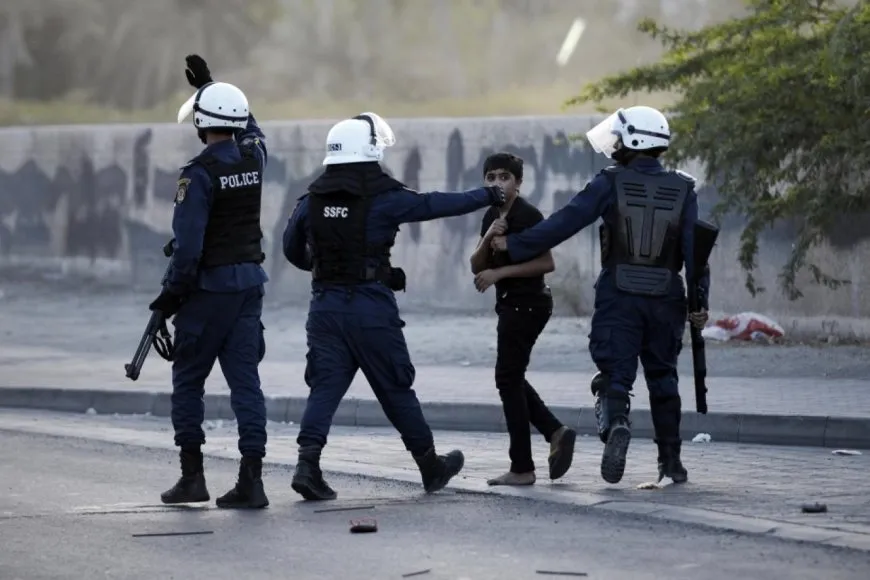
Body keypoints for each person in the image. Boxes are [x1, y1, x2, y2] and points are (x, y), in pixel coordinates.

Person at [282, 112, 507, 501]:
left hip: (325, 308)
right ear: (369, 151)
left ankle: (307, 465)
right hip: (370, 310)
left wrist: (327, 268)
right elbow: (436, 204)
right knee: (396, 388)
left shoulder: (310, 201)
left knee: (324, 388)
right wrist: (488, 195)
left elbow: (291, 249)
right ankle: (430, 466)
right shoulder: (385, 197)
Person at [491, 106, 710, 485]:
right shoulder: (684, 187)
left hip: (620, 295)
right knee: (664, 377)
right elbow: (696, 253)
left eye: (620, 137)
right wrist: (699, 303)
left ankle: (617, 424)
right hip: (666, 296)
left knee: (614, 376)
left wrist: (515, 244)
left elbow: (565, 222)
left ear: (634, 140)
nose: (615, 143)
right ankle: (671, 462)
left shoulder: (610, 181)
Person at [150, 54, 270, 509]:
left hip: (207, 294)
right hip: (249, 287)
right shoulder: (254, 157)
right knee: (246, 384)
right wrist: (211, 86)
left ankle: (192, 478)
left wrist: (169, 298)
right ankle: (252, 481)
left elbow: (188, 251)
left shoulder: (197, 175)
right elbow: (251, 125)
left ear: (201, 124)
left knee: (188, 381)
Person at [468, 152, 577, 486]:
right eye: (491, 177)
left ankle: (522, 467)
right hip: (511, 305)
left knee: (507, 379)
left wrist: (500, 273)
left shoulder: (528, 215)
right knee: (510, 377)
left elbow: (546, 263)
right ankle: (554, 431)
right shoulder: (491, 215)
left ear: (518, 183)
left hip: (529, 305)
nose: (497, 183)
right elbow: (476, 265)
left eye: (504, 177)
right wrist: (489, 236)